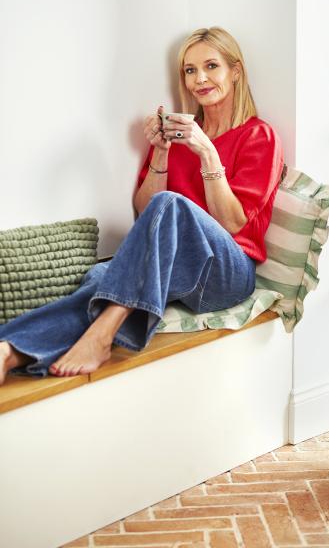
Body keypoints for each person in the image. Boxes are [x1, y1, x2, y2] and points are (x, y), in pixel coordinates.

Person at [0, 26, 284, 385]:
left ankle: (103, 334)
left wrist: (208, 153)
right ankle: (10, 350)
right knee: (103, 276)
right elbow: (146, 211)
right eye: (190, 70)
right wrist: (162, 153)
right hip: (172, 270)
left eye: (211, 66)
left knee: (170, 206)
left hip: (227, 273)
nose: (200, 79)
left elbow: (233, 224)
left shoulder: (259, 136)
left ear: (235, 71)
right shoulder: (179, 133)